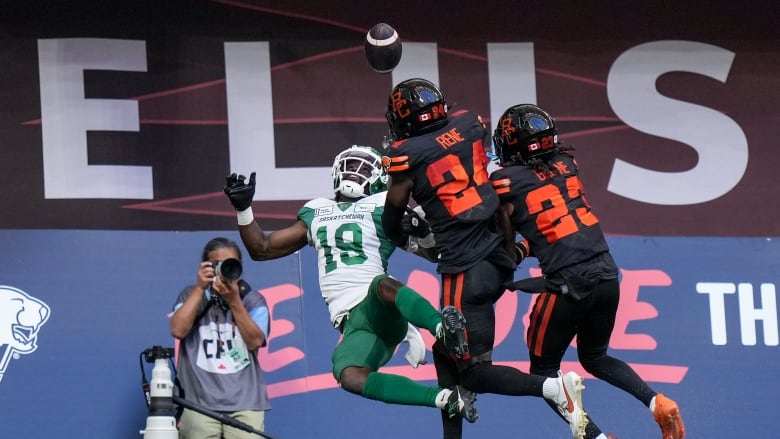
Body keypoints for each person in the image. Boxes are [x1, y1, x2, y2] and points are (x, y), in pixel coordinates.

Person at [381, 77, 588, 439]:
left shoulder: (406, 155)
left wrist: (411, 241)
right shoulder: (468, 123)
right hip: (498, 256)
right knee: (446, 351)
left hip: (464, 271)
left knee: (475, 370)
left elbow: (392, 219)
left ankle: (553, 389)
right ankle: (456, 417)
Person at [222, 145, 479, 424]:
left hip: (379, 304)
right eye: (351, 164)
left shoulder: (384, 206)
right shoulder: (317, 210)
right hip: (353, 323)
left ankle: (443, 329)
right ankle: (445, 399)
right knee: (348, 375)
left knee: (383, 284)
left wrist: (424, 233)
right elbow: (261, 249)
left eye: (365, 167)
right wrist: (244, 210)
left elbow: (435, 253)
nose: (355, 173)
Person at [490, 103, 686, 439]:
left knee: (544, 372)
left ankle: (595, 437)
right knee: (595, 356)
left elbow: (506, 249)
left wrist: (512, 248)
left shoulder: (503, 182)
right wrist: (526, 246)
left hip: (568, 283)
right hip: (607, 273)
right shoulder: (567, 163)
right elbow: (557, 224)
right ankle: (656, 401)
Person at [170, 237, 271, 439]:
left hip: (246, 402)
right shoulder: (191, 295)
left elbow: (255, 341)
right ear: (206, 266)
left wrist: (234, 301)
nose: (224, 269)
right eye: (218, 264)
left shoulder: (252, 300)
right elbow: (178, 330)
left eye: (230, 263)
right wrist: (200, 288)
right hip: (197, 402)